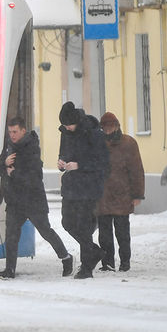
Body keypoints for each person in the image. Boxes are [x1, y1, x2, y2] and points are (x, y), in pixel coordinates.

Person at [0, 117, 73, 278]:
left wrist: (13, 172)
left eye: (15, 132)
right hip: (15, 201)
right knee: (11, 236)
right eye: (10, 132)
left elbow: (33, 177)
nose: (12, 135)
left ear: (23, 131)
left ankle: (66, 257)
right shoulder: (9, 146)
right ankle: (10, 270)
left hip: (33, 200)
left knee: (46, 231)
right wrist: (4, 164)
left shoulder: (32, 148)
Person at [57, 101, 110, 279]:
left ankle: (86, 268)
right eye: (64, 125)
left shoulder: (94, 134)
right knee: (67, 223)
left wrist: (79, 165)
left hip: (88, 186)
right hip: (71, 185)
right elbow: (63, 153)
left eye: (69, 124)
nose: (67, 128)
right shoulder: (65, 133)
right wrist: (61, 162)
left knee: (84, 227)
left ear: (77, 121)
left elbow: (102, 162)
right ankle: (94, 252)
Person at [96, 112, 145, 272]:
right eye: (105, 127)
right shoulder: (97, 143)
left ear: (117, 126)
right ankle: (107, 262)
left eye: (111, 127)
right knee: (104, 233)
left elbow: (137, 170)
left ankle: (125, 262)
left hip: (122, 194)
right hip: (102, 195)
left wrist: (137, 194)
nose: (108, 130)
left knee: (122, 232)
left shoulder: (128, 143)